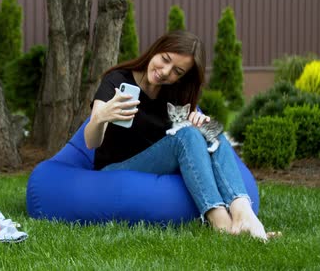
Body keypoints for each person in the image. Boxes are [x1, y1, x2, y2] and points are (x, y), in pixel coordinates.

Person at [84, 30, 268, 241]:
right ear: (156, 49)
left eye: (177, 71)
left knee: (211, 132)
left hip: (160, 162)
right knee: (187, 136)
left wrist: (199, 122)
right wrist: (100, 117)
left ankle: (242, 212)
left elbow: (187, 139)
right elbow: (91, 141)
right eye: (165, 59)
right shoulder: (117, 80)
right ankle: (221, 223)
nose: (165, 72)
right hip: (116, 168)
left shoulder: (173, 92)